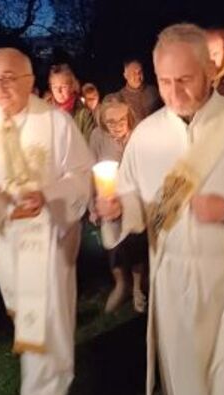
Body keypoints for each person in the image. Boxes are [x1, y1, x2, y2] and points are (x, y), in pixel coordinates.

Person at [96, 23, 224, 395]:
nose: (174, 92)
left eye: (184, 79)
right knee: (190, 389)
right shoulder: (145, 136)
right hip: (175, 285)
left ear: (208, 70)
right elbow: (132, 198)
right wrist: (116, 209)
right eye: (164, 81)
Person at [0, 48, 93, 395]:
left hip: (49, 236)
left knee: (48, 319)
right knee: (28, 317)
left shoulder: (55, 122)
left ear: (29, 80)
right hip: (4, 240)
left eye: (9, 77)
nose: (0, 86)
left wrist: (47, 194)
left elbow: (81, 175)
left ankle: (47, 389)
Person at [89, 94, 147, 313]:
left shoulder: (139, 134)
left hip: (135, 200)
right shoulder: (97, 137)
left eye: (122, 120)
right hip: (109, 199)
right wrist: (93, 206)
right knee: (114, 245)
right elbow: (90, 171)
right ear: (103, 121)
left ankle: (138, 286)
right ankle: (121, 285)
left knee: (135, 240)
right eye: (111, 121)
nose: (117, 125)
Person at [48, 63, 96, 142]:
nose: (59, 91)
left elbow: (89, 143)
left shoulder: (84, 114)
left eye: (63, 86)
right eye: (55, 87)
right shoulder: (46, 112)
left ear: (72, 87)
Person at [117, 59, 161, 126]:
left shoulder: (153, 91)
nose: (138, 76)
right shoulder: (120, 98)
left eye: (140, 72)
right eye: (133, 73)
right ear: (125, 75)